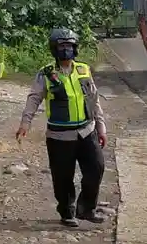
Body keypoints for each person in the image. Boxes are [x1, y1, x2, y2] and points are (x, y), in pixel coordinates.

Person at [15, 27, 107, 227]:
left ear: (76, 48)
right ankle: (67, 212)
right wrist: (25, 123)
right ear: (54, 49)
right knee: (63, 177)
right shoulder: (46, 74)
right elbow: (34, 99)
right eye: (62, 46)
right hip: (59, 137)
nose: (66, 50)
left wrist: (101, 127)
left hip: (87, 131)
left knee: (96, 167)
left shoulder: (83, 70)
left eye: (70, 46)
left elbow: (94, 99)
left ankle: (87, 208)